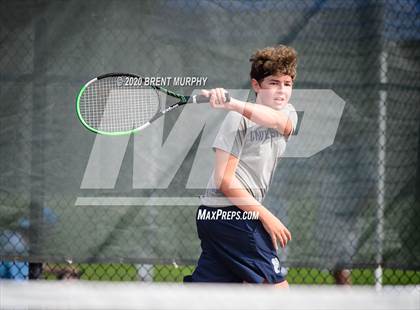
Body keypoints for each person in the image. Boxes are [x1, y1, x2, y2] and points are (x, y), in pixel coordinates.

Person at [185, 45, 298, 287]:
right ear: (256, 85)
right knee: (277, 291)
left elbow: (276, 121)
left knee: (210, 296)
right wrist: (266, 216)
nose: (281, 91)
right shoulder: (236, 121)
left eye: (287, 84)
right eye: (273, 83)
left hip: (215, 217)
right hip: (229, 215)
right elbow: (224, 181)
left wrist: (232, 103)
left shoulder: (287, 114)